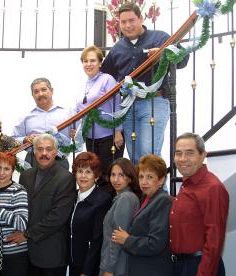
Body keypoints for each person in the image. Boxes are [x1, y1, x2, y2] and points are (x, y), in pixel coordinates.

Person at [101, 2, 189, 164]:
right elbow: (106, 79)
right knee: (135, 158)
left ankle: (160, 191)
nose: (127, 25)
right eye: (123, 22)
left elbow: (183, 60)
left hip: (154, 102)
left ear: (141, 18)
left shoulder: (161, 38)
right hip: (127, 107)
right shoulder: (117, 49)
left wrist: (164, 54)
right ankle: (141, 190)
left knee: (149, 154)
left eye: (132, 20)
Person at [6, 133, 76, 276]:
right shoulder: (26, 175)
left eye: (48, 149)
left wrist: (26, 234)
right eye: (40, 149)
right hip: (28, 253)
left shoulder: (66, 178)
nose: (44, 153)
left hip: (53, 255)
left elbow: (57, 217)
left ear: (55, 152)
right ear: (34, 151)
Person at [170, 132, 229, 276]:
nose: (182, 159)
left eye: (189, 153)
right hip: (180, 266)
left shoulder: (212, 187)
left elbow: (214, 242)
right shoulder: (187, 184)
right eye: (178, 153)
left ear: (203, 156)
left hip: (199, 267)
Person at [111, 154, 173, 276]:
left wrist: (127, 240)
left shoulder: (163, 200)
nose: (144, 182)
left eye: (150, 177)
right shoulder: (145, 198)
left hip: (153, 269)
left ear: (161, 180)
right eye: (141, 177)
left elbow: (155, 243)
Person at [76, 46, 124, 184]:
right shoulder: (85, 85)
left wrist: (118, 130)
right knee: (95, 175)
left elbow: (117, 104)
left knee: (107, 175)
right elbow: (79, 111)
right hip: (90, 137)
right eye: (85, 61)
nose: (88, 64)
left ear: (100, 63)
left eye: (92, 60)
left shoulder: (107, 79)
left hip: (108, 136)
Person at [12, 77, 74, 169]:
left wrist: (76, 135)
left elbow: (80, 135)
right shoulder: (25, 117)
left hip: (59, 160)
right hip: (33, 162)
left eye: (44, 90)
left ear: (51, 91)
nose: (40, 94)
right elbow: (13, 139)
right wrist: (25, 139)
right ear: (32, 95)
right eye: (36, 92)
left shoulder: (68, 114)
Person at [0, 152, 28, 276]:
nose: (2, 172)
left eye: (7, 169)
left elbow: (22, 224)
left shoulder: (18, 190)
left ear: (13, 171)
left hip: (14, 254)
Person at [70, 152, 112, 276]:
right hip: (71, 263)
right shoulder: (71, 196)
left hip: (88, 266)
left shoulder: (102, 200)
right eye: (80, 171)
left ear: (96, 176)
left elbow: (97, 241)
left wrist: (86, 271)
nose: (83, 176)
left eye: (88, 172)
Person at [100, 158, 141, 276]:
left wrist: (109, 269)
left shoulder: (125, 199)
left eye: (121, 175)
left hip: (117, 266)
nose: (115, 179)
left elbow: (117, 237)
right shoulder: (122, 197)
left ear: (129, 177)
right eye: (113, 175)